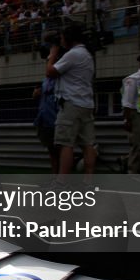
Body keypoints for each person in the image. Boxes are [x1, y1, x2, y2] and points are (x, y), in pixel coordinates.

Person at [45, 24, 97, 176]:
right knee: (88, 144)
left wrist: (52, 54)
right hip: (86, 103)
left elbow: (50, 72)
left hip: (71, 104)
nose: (60, 41)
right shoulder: (87, 54)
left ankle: (62, 182)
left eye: (62, 38)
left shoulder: (73, 54)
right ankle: (89, 183)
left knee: (65, 144)